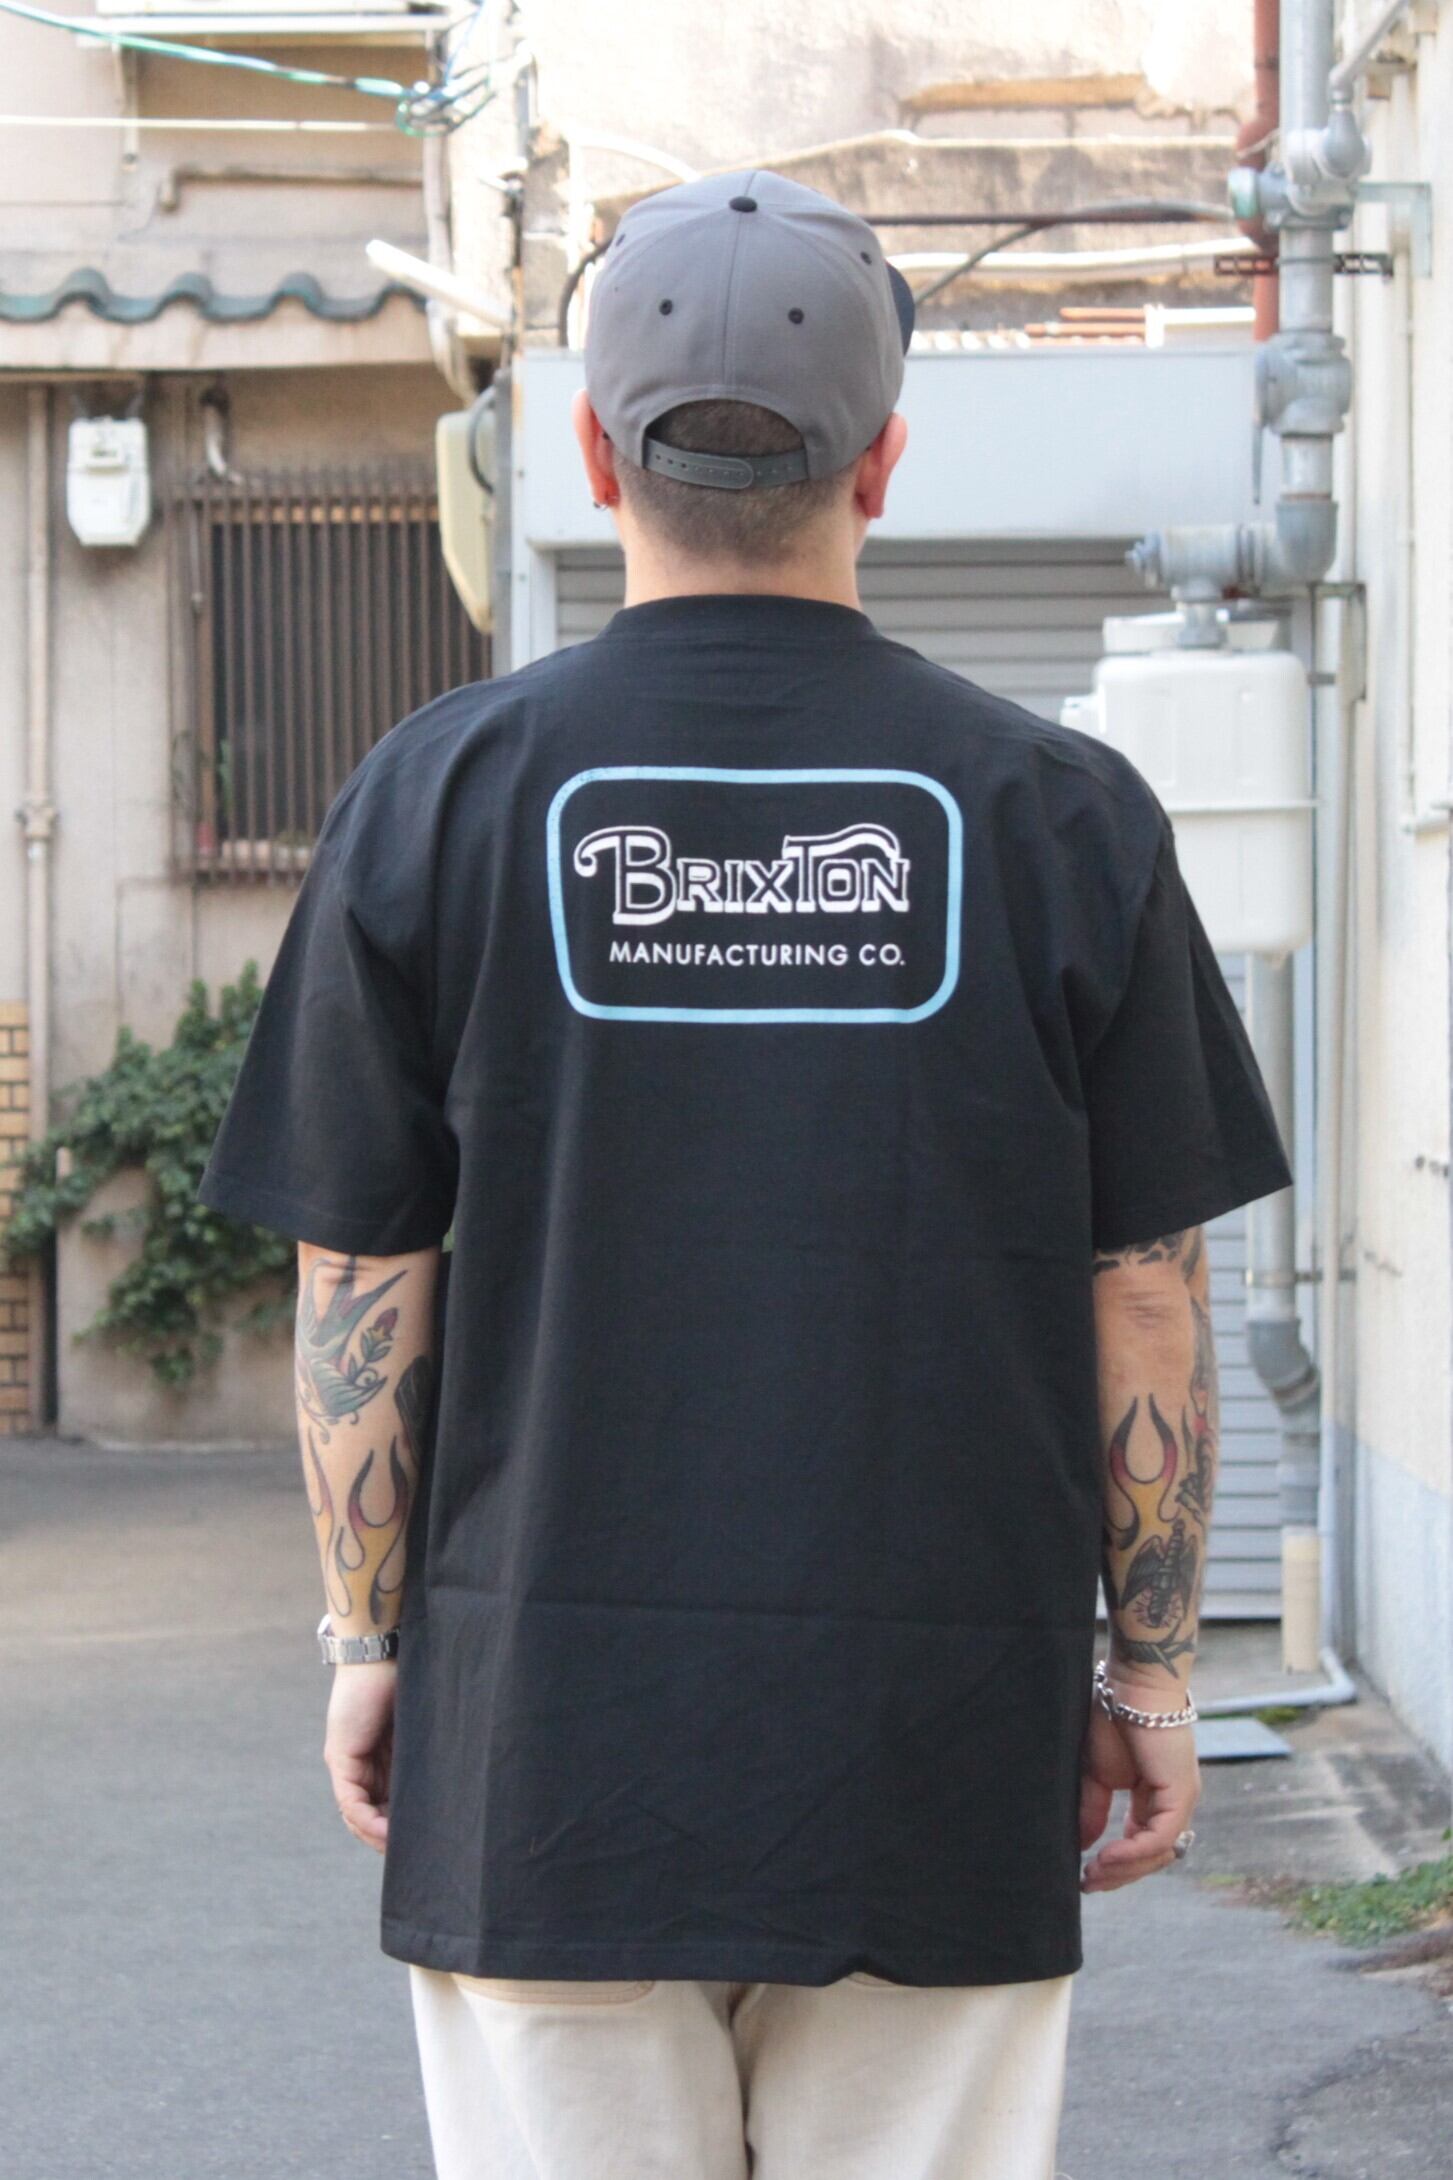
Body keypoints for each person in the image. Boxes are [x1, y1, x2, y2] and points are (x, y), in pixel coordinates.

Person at [197, 168, 1294, 2180]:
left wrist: (367, 1643)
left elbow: (361, 1272)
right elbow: (1142, 1286)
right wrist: (1147, 1671)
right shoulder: (1059, 816)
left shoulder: (432, 801)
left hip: (540, 1753)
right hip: (934, 1750)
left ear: (594, 454)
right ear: (881, 463)